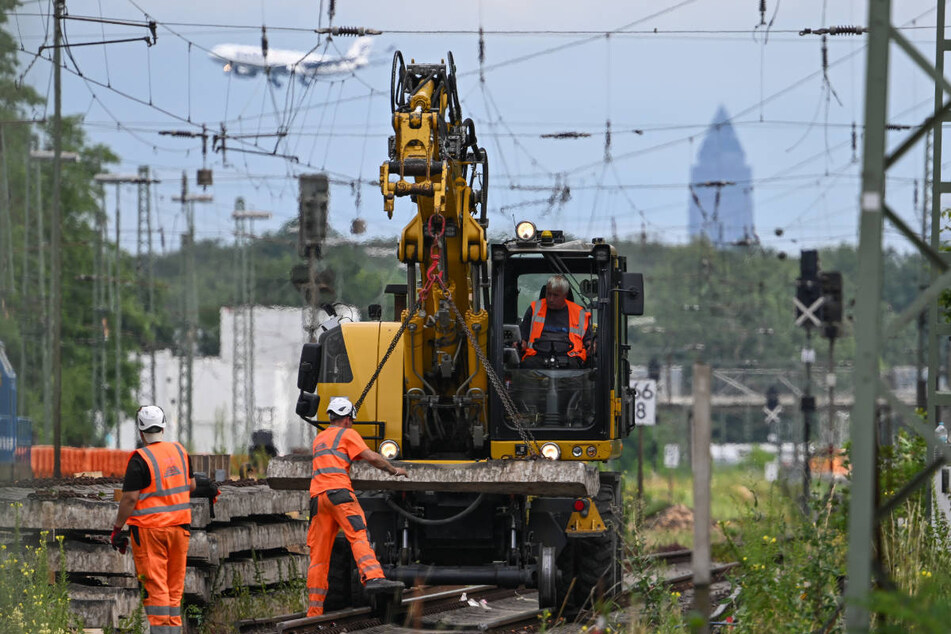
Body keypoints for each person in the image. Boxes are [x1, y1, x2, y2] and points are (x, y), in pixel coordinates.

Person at [307, 396, 408, 617]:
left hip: (317, 499)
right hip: (340, 495)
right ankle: (373, 577)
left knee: (319, 556)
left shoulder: (320, 439)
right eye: (351, 419)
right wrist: (394, 470)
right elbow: (372, 457)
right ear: (346, 418)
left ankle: (313, 613)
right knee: (358, 535)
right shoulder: (348, 434)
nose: (351, 423)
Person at [110, 405, 196, 634]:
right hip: (180, 529)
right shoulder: (180, 451)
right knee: (174, 589)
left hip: (150, 533)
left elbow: (129, 499)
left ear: (140, 432)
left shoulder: (140, 459)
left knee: (156, 589)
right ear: (164, 426)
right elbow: (192, 485)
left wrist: (117, 529)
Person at [518, 275, 594, 369]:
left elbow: (589, 341)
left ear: (565, 295)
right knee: (526, 365)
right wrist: (519, 343)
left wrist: (592, 346)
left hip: (570, 360)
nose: (550, 299)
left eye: (555, 295)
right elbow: (523, 338)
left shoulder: (580, 313)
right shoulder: (534, 309)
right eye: (548, 294)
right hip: (537, 357)